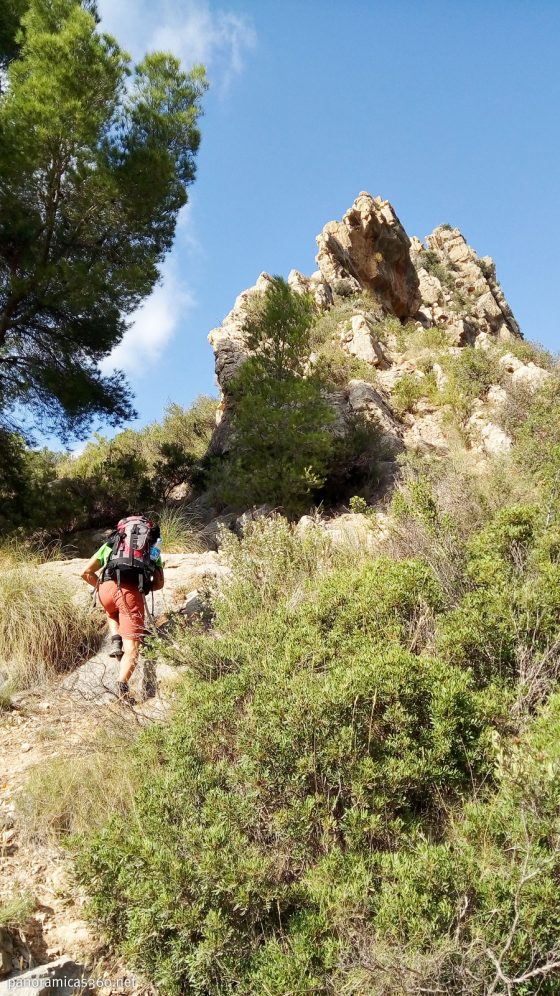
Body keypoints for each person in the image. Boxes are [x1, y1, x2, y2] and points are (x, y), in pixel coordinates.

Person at [81, 518, 164, 703]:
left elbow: (85, 572)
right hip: (130, 594)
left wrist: (101, 587)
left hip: (106, 590)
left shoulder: (113, 543)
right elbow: (159, 583)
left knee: (112, 610)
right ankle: (122, 685)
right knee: (132, 649)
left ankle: (115, 638)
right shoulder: (152, 549)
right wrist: (144, 587)